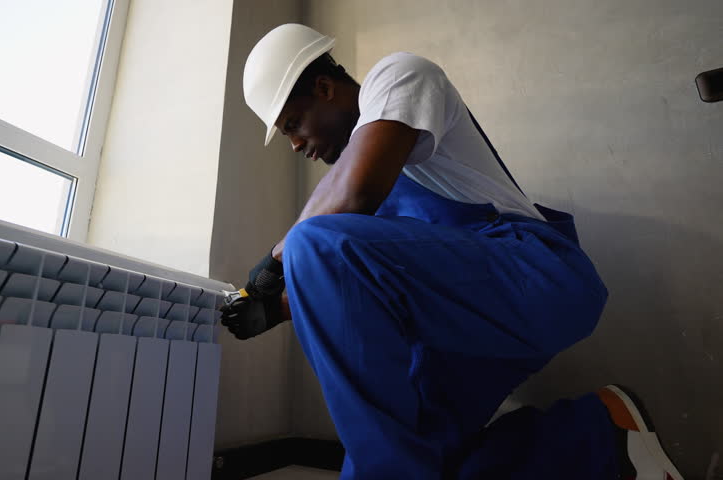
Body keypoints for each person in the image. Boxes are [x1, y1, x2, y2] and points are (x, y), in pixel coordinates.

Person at [221, 23, 683, 479]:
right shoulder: (345, 206)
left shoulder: (399, 78)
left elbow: (349, 204)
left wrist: (274, 262)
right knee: (424, 450)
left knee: (315, 244)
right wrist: (277, 310)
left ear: (324, 87)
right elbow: (359, 280)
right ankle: (604, 433)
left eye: (292, 125)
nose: (296, 144)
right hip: (459, 324)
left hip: (538, 274)